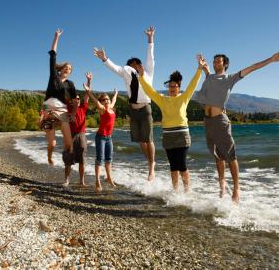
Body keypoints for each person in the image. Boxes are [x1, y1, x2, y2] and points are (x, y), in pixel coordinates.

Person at [195, 52, 279, 203]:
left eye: (219, 61)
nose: (216, 63)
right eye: (214, 62)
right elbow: (208, 76)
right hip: (208, 121)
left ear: (225, 64)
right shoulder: (210, 77)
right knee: (217, 156)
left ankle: (237, 188)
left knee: (230, 155)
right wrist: (204, 67)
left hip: (220, 121)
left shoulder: (229, 79)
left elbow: (251, 68)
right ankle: (222, 185)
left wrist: (270, 60)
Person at [93, 26, 156, 181]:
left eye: (137, 64)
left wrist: (150, 39)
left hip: (146, 108)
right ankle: (149, 162)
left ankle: (152, 166)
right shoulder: (126, 73)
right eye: (133, 64)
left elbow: (150, 57)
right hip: (134, 110)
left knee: (149, 139)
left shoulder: (148, 73)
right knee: (140, 140)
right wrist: (104, 59)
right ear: (130, 66)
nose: (136, 66)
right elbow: (114, 68)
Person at [137, 56, 202, 192]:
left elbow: (193, 84)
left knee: (182, 165)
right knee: (173, 166)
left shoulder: (184, 97)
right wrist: (141, 77)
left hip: (182, 135)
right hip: (168, 136)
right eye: (170, 86)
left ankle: (187, 191)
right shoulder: (163, 99)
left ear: (179, 88)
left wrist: (199, 69)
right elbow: (150, 91)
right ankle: (176, 193)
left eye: (175, 86)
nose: (172, 88)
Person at [39, 28, 78, 168]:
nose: (68, 69)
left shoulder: (70, 84)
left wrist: (73, 113)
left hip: (62, 111)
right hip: (49, 109)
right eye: (66, 67)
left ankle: (68, 163)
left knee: (69, 143)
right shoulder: (53, 76)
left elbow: (75, 101)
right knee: (52, 143)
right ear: (61, 69)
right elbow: (53, 55)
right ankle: (49, 157)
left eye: (70, 69)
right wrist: (56, 37)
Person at [83, 83, 118, 192]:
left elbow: (114, 100)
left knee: (109, 159)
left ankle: (109, 178)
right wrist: (88, 91)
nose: (106, 101)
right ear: (101, 102)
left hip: (109, 138)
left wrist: (116, 93)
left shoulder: (111, 107)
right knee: (99, 159)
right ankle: (97, 181)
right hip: (101, 137)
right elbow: (94, 100)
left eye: (107, 99)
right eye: (104, 100)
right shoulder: (102, 109)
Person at [62, 72, 92, 187]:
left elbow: (87, 95)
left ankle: (81, 181)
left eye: (78, 99)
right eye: (75, 99)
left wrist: (89, 81)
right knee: (68, 158)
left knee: (82, 159)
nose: (77, 100)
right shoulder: (68, 107)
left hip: (81, 135)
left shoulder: (83, 108)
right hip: (70, 135)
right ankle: (66, 180)